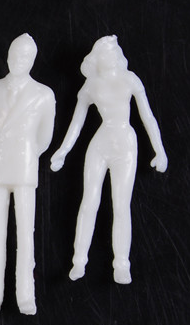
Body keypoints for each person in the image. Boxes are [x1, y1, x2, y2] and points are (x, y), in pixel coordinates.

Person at [50, 35, 167, 284]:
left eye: (113, 53)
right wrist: (63, 151)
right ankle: (79, 260)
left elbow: (147, 117)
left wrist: (159, 150)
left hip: (125, 145)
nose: (110, 57)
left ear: (117, 55)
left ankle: (121, 264)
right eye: (104, 54)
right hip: (100, 144)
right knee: (88, 201)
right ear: (98, 58)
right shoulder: (91, 86)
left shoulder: (130, 79)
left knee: (121, 205)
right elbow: (76, 123)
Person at [0, 33, 54, 315]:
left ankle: (25, 296)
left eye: (25, 57)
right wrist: (1, 148)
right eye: (15, 54)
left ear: (32, 61)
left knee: (25, 235)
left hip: (24, 167)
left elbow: (44, 137)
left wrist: (25, 152)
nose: (19, 60)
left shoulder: (43, 95)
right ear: (7, 56)